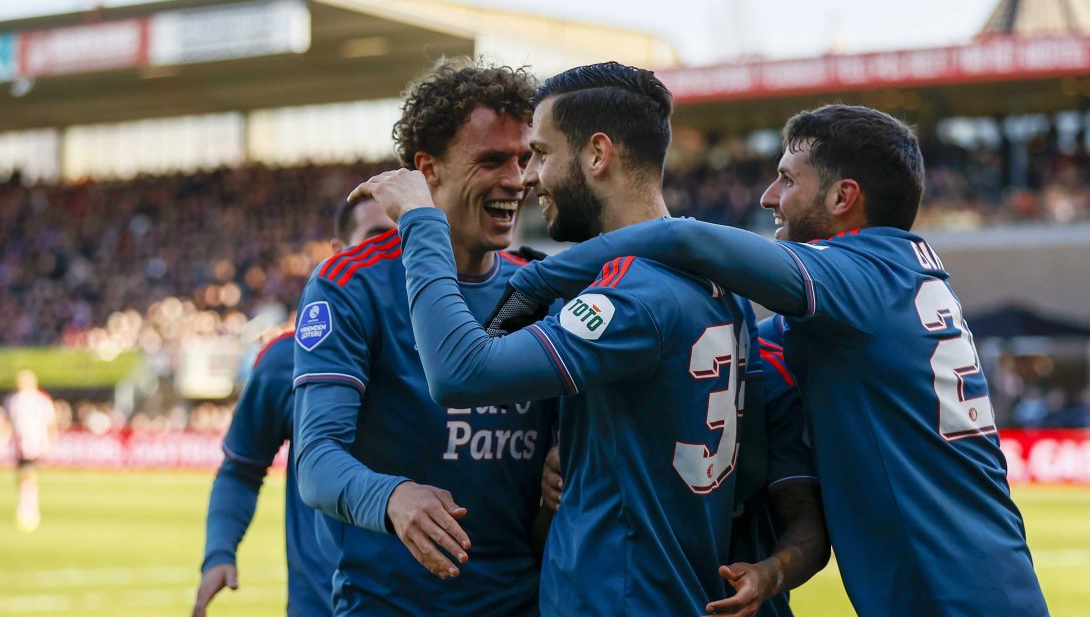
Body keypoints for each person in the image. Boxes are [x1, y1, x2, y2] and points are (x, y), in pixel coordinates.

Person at [500, 104, 1051, 616]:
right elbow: (724, 346)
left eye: (787, 179)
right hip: (982, 575)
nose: (767, 196)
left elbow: (685, 239)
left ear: (843, 198)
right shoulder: (891, 280)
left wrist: (537, 281)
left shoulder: (852, 276)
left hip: (950, 592)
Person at [352, 62, 828, 615]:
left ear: (598, 154)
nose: (529, 177)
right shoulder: (721, 287)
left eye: (542, 153)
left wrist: (420, 221)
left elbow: (460, 372)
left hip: (620, 599)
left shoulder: (630, 296)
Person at [291, 59, 555, 615]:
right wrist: (392, 496)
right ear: (426, 170)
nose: (516, 179)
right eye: (491, 160)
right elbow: (315, 460)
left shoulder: (542, 286)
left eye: (524, 159)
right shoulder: (350, 283)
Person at [538, 310, 827, 617]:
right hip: (620, 592)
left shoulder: (769, 370)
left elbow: (809, 525)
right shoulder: (609, 360)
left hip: (728, 594)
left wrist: (767, 576)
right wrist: (564, 472)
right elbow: (546, 529)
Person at [192, 197, 394, 617]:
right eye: (377, 237)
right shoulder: (286, 359)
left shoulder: (453, 352)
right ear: (340, 252)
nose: (391, 249)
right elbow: (241, 468)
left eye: (403, 236)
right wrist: (219, 552)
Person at [5, 369, 57, 532]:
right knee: (24, 475)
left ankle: (28, 508)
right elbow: (10, 422)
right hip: (21, 442)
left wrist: (51, 440)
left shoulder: (39, 400)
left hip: (33, 442)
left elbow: (50, 422)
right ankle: (27, 504)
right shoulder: (14, 400)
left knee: (28, 473)